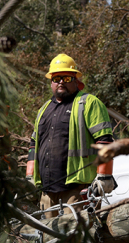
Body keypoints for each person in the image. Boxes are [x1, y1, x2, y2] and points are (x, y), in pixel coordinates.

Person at [26, 53, 116, 219]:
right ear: (51, 81)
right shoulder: (44, 109)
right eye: (57, 78)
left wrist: (104, 177)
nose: (61, 82)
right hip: (47, 193)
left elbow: (104, 142)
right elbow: (33, 146)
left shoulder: (89, 103)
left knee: (78, 241)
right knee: (49, 241)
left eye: (66, 78)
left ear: (76, 80)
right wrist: (29, 177)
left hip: (77, 191)